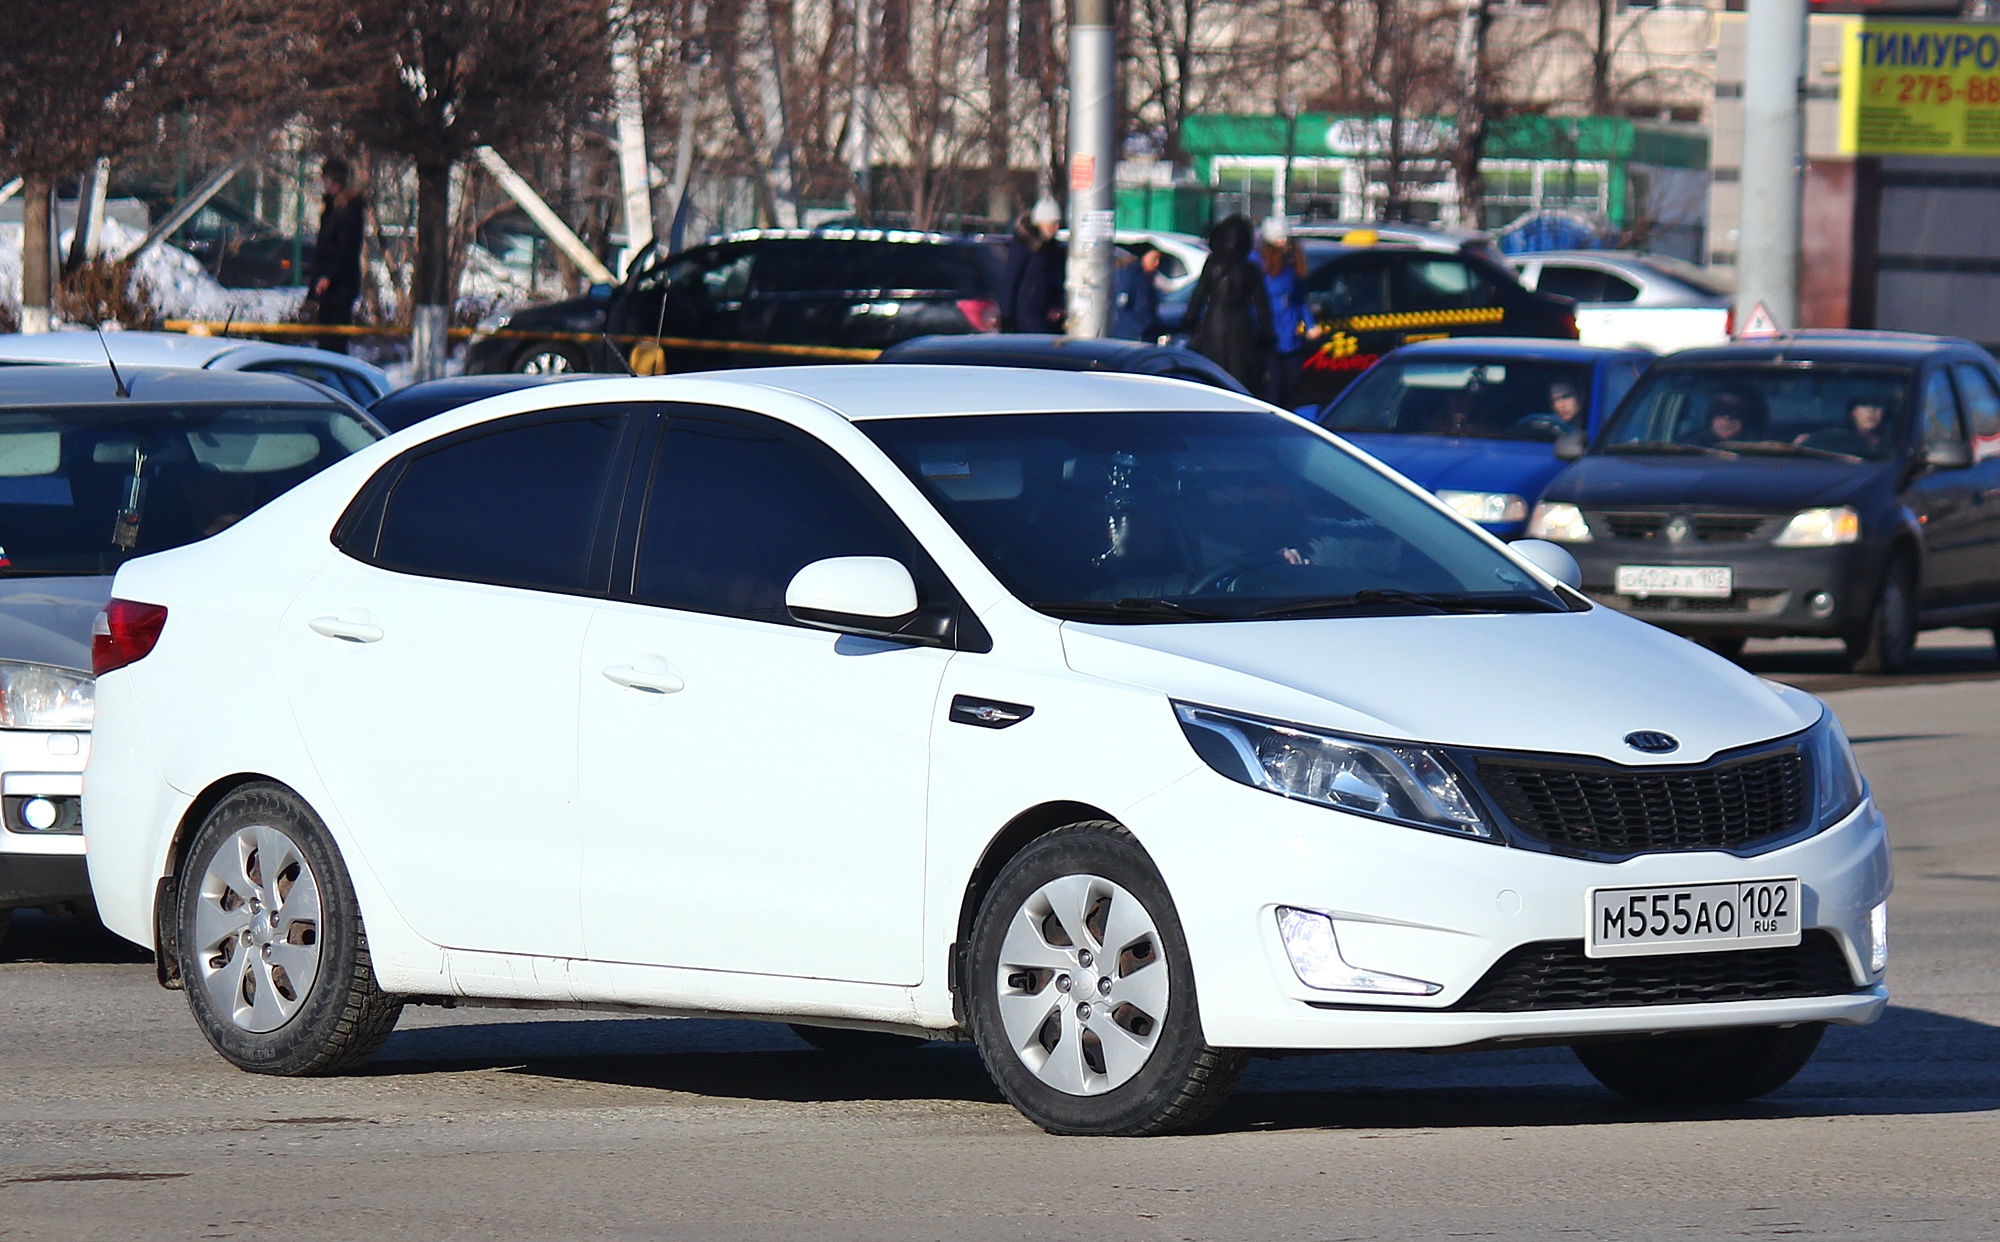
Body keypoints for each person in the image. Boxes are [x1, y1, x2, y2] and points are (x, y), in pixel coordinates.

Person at [1182, 215, 1271, 393]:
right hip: (1242, 329)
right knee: (1240, 381)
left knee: (1212, 379)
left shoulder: (1213, 264)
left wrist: (1189, 321)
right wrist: (1267, 336)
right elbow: (1262, 308)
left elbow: (1198, 296)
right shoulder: (1250, 269)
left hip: (1212, 325)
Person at [306, 157, 367, 355]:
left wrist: (328, 276)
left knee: (335, 341)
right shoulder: (332, 208)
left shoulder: (349, 210)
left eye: (328, 181)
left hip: (339, 287)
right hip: (328, 287)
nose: (325, 185)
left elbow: (346, 250)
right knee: (325, 340)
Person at [1258, 216, 1315, 407]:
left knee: (1291, 383)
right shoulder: (1259, 264)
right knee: (1272, 391)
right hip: (1268, 339)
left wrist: (1310, 324)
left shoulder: (1291, 265)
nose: (1285, 244)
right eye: (1280, 239)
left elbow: (1298, 298)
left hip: (1289, 338)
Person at [1001, 197, 1066, 333]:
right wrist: (1006, 317)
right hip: (1025, 318)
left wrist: (1058, 305)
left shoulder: (1054, 250)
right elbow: (1011, 281)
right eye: (1052, 223)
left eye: (1058, 223)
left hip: (1049, 319)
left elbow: (1057, 282)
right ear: (1040, 223)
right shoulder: (1024, 245)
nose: (1056, 228)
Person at [1797, 399, 1889, 457]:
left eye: (1877, 404)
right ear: (1853, 411)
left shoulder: (1896, 441)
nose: (1871, 410)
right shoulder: (1832, 438)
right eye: (1864, 404)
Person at [1110, 244, 1162, 341]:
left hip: (1147, 335)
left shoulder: (1147, 279)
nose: (1156, 264)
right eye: (1154, 259)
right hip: (1130, 337)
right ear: (1143, 257)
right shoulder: (1130, 276)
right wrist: (1140, 328)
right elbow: (1121, 307)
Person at [1511, 378, 1588, 440]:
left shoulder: (1590, 428)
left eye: (1566, 397)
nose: (1561, 405)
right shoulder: (1545, 429)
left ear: (1581, 397)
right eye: (1555, 400)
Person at [1691, 389, 1762, 446]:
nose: (1727, 417)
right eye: (1721, 409)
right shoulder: (1691, 445)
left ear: (1746, 415)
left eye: (1734, 410)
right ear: (1710, 414)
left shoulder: (1763, 447)